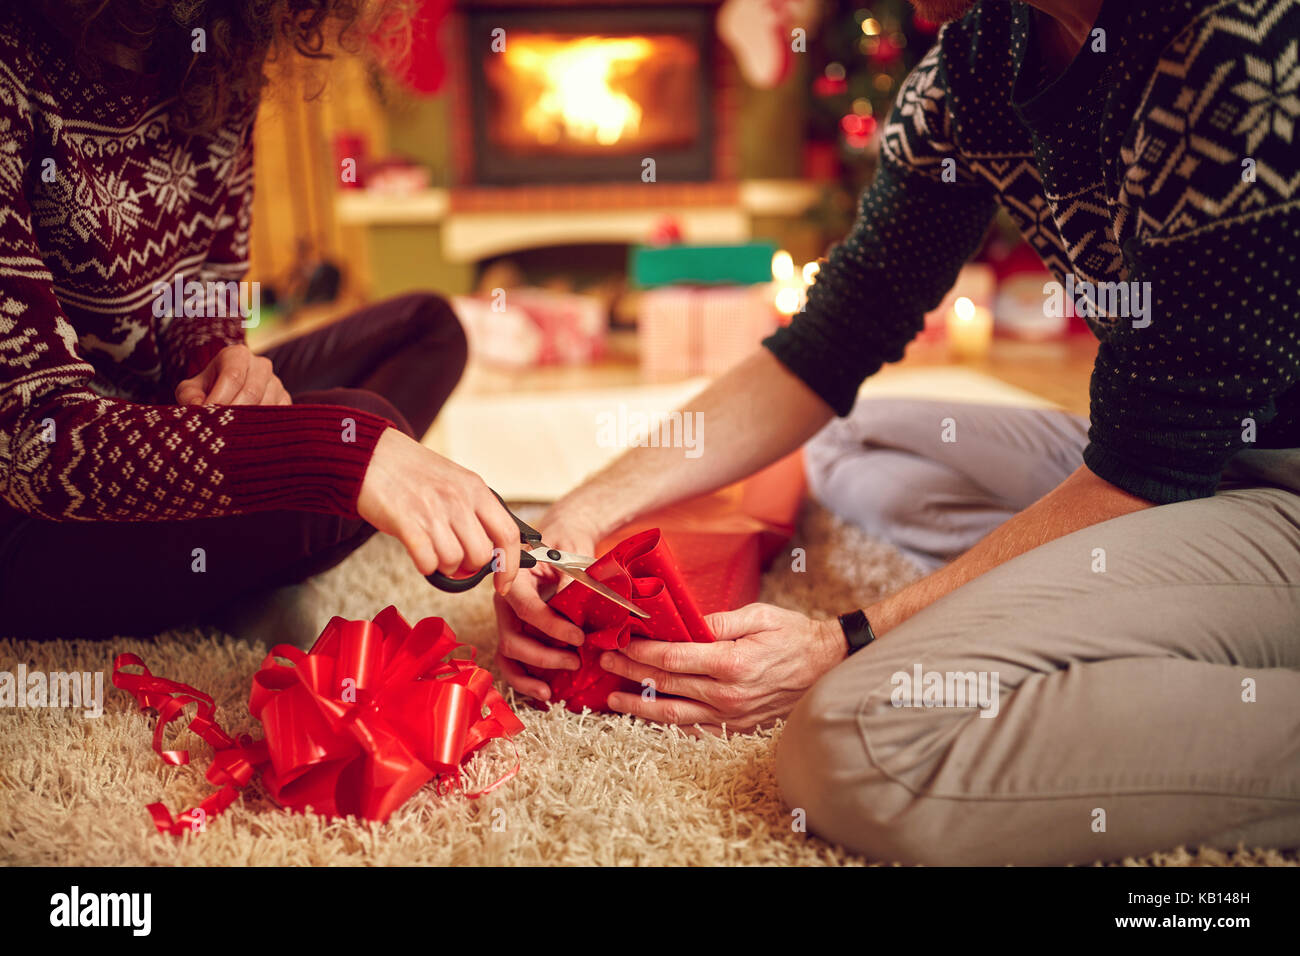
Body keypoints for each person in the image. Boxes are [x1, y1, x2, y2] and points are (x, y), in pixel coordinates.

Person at [496, 0, 1300, 864]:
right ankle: (1135, 601)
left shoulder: (1231, 48)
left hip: (1230, 472)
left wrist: (843, 639)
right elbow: (832, 337)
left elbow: (1145, 471)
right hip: (1189, 449)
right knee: (851, 446)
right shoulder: (979, 58)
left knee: (859, 744)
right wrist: (576, 512)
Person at [0, 1, 524, 639]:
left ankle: (236, 557)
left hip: (160, 422)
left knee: (431, 327)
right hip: (35, 525)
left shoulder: (220, 46)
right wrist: (337, 457)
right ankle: (238, 562)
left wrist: (218, 362)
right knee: (365, 431)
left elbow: (210, 289)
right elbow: (35, 444)